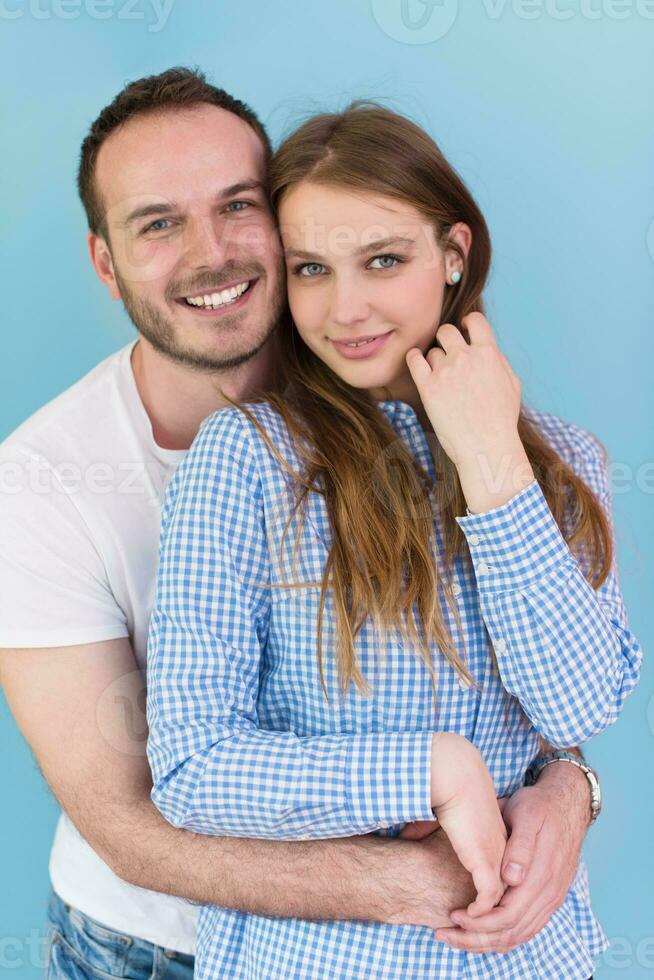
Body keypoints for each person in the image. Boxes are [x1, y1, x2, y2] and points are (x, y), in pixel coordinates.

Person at [0, 68, 609, 979]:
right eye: (158, 222)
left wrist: (570, 786)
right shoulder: (49, 483)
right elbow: (149, 811)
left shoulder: (480, 421)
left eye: (237, 206)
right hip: (148, 936)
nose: (211, 253)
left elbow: (564, 706)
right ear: (107, 261)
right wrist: (431, 815)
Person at [146, 101, 643, 979]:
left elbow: (578, 711)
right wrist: (432, 769)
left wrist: (494, 468)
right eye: (310, 268)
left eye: (384, 259)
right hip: (317, 960)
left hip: (525, 958)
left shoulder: (563, 462)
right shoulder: (248, 460)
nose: (346, 309)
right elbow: (193, 766)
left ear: (453, 254)